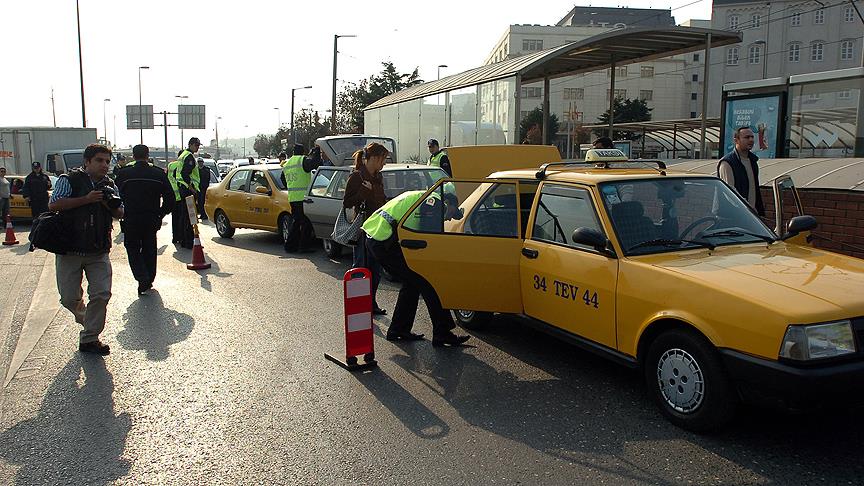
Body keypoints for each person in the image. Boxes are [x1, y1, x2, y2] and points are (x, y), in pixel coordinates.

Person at [362, 189, 470, 347]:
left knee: (412, 284)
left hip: (377, 236)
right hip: (383, 240)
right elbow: (428, 238)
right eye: (451, 214)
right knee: (428, 283)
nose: (448, 218)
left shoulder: (424, 196)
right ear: (448, 203)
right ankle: (442, 332)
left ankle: (398, 329)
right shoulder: (433, 203)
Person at [48, 144, 124, 355]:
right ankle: (86, 317)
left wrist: (110, 205)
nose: (104, 165)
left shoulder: (110, 185)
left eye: (107, 161)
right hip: (70, 249)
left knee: (102, 294)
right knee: (68, 298)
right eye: (99, 160)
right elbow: (54, 205)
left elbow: (120, 213)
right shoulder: (69, 180)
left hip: (98, 250)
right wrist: (86, 199)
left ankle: (89, 338)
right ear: (87, 161)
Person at [115, 144, 175, 295]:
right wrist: (161, 213)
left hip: (130, 218)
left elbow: (116, 196)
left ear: (133, 156)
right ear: (148, 156)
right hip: (151, 218)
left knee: (132, 248)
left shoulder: (124, 174)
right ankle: (149, 278)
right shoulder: (158, 174)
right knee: (149, 247)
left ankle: (142, 276)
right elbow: (170, 199)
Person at [343, 142, 388, 315]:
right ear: (375, 158)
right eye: (383, 159)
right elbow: (347, 202)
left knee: (375, 270)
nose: (384, 163)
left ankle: (371, 303)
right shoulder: (356, 177)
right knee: (361, 268)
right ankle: (358, 304)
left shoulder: (378, 176)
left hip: (377, 228)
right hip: (362, 229)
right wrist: (364, 191)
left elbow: (381, 199)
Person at [281, 143, 322, 253]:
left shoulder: (287, 163)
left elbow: (283, 179)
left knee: (297, 222)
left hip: (292, 198)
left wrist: (291, 187)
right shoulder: (302, 160)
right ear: (303, 151)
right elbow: (314, 164)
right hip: (303, 198)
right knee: (306, 222)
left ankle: (290, 246)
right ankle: (303, 247)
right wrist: (317, 152)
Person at [717, 126, 764, 216]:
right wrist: (746, 209)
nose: (751, 140)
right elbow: (729, 193)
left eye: (752, 137)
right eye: (746, 137)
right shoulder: (727, 162)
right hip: (732, 216)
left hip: (751, 214)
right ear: (736, 140)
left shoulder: (753, 161)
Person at [176, 138, 203, 249]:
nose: (197, 148)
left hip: (183, 189)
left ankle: (184, 240)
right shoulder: (189, 157)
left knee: (185, 216)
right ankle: (189, 242)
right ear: (191, 145)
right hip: (187, 190)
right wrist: (192, 188)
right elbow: (185, 174)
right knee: (190, 216)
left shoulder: (183, 155)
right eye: (196, 145)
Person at [166, 151, 184, 244]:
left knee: (175, 218)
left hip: (173, 195)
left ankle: (175, 237)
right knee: (184, 218)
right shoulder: (183, 165)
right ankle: (182, 237)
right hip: (183, 196)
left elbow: (167, 178)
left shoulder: (171, 165)